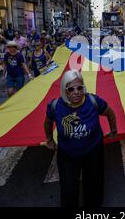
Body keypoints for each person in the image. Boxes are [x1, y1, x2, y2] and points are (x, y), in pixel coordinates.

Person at [44, 70, 117, 207]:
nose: (76, 92)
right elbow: (48, 122)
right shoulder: (55, 106)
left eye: (80, 87)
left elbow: (110, 112)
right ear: (64, 90)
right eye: (71, 89)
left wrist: (113, 130)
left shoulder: (93, 101)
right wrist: (49, 139)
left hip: (93, 153)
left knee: (94, 187)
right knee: (68, 189)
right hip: (67, 155)